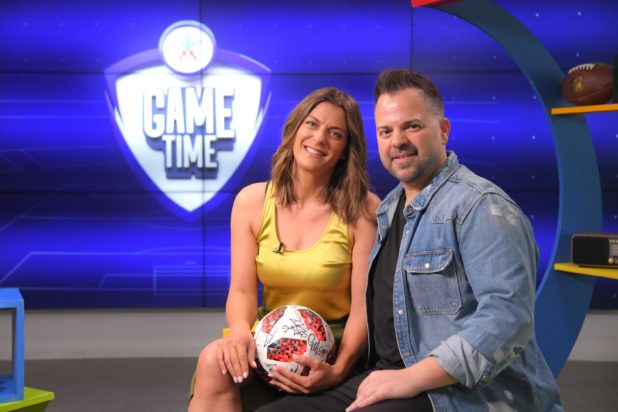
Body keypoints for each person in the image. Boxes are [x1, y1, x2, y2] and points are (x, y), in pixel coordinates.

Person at [256, 69, 564, 412]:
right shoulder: (387, 210)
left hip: (457, 393)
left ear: (443, 130)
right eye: (386, 131)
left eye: (412, 126)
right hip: (383, 376)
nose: (397, 140)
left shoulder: (480, 205)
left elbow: (508, 319)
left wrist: (411, 378)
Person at [188, 87, 380, 412]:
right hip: (269, 338)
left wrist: (337, 370)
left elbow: (364, 309)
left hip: (333, 349)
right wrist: (240, 333)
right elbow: (242, 290)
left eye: (335, 133)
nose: (319, 138)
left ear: (346, 150)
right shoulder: (251, 202)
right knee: (213, 361)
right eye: (312, 124)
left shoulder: (364, 210)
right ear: (294, 130)